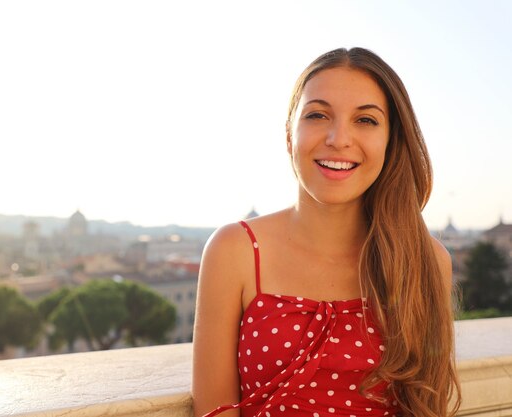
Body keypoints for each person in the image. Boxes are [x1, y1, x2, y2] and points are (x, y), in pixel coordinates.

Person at [192, 47, 461, 417]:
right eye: (317, 114)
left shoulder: (427, 260)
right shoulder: (234, 250)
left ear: (390, 141)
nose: (338, 138)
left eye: (365, 120)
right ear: (290, 135)